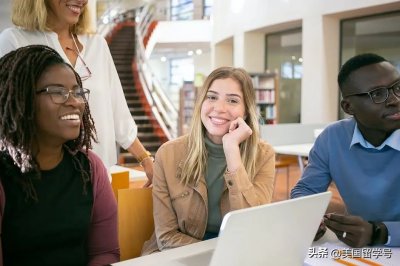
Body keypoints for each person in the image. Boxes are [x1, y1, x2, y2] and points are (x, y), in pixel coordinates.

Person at [0, 0, 154, 186]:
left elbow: (117, 112)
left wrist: (145, 159)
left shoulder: (98, 45)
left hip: (98, 178)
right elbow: (8, 118)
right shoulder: (15, 40)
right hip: (39, 180)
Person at [0, 45, 119, 265]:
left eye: (78, 91)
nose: (74, 101)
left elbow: (105, 252)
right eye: (57, 92)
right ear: (23, 99)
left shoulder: (90, 167)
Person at [141, 67, 276, 255]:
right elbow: (166, 236)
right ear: (201, 103)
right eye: (212, 97)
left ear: (246, 111)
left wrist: (232, 151)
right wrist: (219, 254)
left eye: (232, 100)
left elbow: (251, 227)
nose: (219, 108)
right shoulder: (168, 153)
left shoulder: (264, 155)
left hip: (238, 254)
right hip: (179, 254)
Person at [291, 53, 400, 248]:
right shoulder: (332, 138)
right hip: (358, 251)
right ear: (348, 107)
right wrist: (308, 218)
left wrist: (379, 232)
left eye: (397, 88)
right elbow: (307, 189)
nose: (394, 100)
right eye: (377, 94)